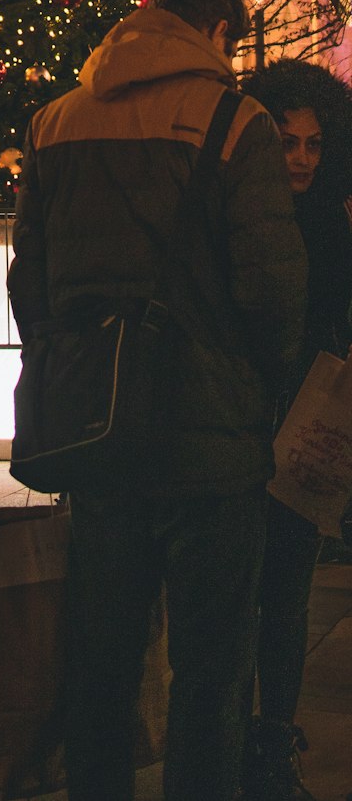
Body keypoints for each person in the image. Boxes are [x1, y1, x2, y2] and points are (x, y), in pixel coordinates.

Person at [9, 0, 308, 801]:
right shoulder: (233, 120)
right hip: (209, 438)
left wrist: (68, 363)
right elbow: (272, 286)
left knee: (102, 659)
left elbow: (28, 279)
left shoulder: (56, 122)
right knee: (210, 666)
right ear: (217, 34)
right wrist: (257, 382)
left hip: (98, 431)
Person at [240, 60, 352, 801]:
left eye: (313, 143)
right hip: (244, 424)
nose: (301, 157)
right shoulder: (244, 214)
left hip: (307, 427)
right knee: (237, 591)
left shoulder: (335, 221)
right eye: (287, 142)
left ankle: (271, 735)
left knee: (283, 593)